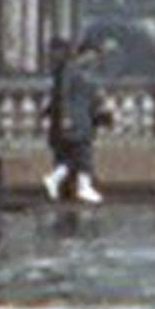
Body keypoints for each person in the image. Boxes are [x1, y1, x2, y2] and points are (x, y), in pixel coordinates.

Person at [44, 37, 105, 205]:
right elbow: (63, 94)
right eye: (92, 55)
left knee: (74, 157)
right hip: (75, 120)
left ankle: (55, 180)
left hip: (84, 119)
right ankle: (81, 188)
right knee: (82, 155)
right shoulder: (71, 69)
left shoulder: (88, 73)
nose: (95, 59)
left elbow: (93, 96)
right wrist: (65, 117)